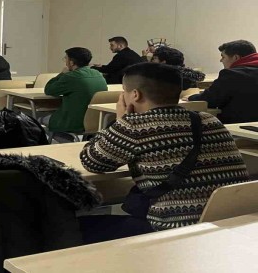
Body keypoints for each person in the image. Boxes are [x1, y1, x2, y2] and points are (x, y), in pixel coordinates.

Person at [81, 63, 248, 243]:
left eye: (124, 91)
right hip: (230, 224)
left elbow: (92, 161)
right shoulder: (208, 119)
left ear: (135, 95)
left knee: (74, 229)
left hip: (176, 231)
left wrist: (120, 121)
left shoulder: (135, 126)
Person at [188, 40, 258, 124]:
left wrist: (191, 97)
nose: (221, 60)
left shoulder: (231, 74)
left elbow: (210, 100)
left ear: (236, 58)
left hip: (237, 127)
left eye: (223, 57)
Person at [43, 47, 107, 134]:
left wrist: (62, 74)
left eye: (66, 58)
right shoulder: (99, 75)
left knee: (39, 119)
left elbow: (48, 90)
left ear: (71, 62)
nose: (65, 62)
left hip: (72, 123)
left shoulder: (71, 77)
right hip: (95, 123)